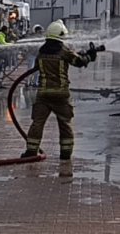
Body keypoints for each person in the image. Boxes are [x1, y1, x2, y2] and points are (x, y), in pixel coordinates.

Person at [20, 20, 96, 177]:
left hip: (43, 94)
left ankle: (31, 151)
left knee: (37, 123)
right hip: (61, 95)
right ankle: (65, 154)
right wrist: (90, 56)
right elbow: (79, 62)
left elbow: (37, 67)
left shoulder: (42, 51)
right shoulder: (63, 51)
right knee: (65, 124)